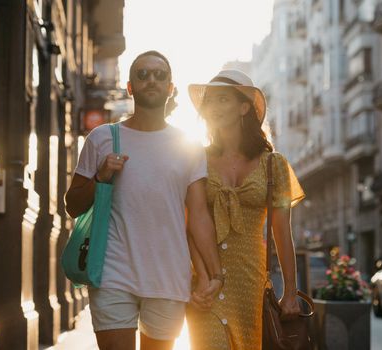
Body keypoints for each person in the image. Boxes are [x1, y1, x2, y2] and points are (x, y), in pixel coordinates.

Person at [64, 50, 223, 350]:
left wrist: (215, 274)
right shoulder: (102, 138)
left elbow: (199, 214)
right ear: (130, 87)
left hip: (169, 276)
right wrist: (100, 177)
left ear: (170, 87)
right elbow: (72, 205)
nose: (152, 79)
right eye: (143, 74)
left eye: (160, 75)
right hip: (112, 273)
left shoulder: (188, 146)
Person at [186, 70, 305, 350]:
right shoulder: (196, 159)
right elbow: (189, 221)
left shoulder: (273, 165)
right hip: (204, 281)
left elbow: (282, 233)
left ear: (244, 107)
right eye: (210, 101)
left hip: (249, 281)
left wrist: (290, 291)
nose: (213, 107)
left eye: (223, 99)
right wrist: (201, 277)